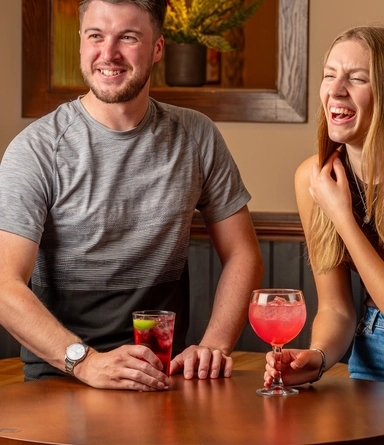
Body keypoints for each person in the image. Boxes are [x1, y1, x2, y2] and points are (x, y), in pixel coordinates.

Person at [0, 0, 263, 392]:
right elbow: (5, 285)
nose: (108, 54)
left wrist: (214, 345)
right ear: (81, 43)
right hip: (62, 379)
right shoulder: (37, 149)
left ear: (157, 47)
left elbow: (244, 253)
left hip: (163, 377)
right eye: (95, 36)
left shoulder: (197, 135)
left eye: (127, 37)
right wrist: (86, 362)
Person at [264, 25, 384, 444]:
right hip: (368, 361)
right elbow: (338, 310)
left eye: (357, 79)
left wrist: (342, 216)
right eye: (330, 75)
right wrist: (320, 356)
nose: (336, 90)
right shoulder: (312, 177)